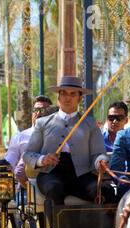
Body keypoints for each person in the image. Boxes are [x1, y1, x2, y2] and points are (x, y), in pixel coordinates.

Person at [23, 76, 116, 206]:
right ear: (59, 97)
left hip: (82, 175)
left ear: (80, 98)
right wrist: (43, 159)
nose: (68, 97)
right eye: (64, 93)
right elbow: (28, 154)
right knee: (54, 189)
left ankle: (101, 226)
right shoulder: (42, 123)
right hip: (51, 174)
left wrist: (100, 161)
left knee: (107, 190)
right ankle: (56, 227)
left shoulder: (90, 124)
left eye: (73, 94)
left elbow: (98, 153)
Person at [5, 95, 53, 169]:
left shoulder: (58, 137)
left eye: (43, 110)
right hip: (26, 179)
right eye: (36, 110)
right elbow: (10, 161)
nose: (38, 113)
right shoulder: (19, 138)